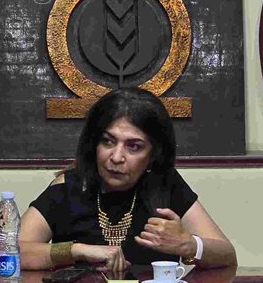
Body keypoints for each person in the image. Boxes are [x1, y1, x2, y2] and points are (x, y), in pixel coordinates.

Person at [19, 88, 237, 273]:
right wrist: (77, 250)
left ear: (154, 154)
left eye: (134, 146)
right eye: (108, 141)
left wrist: (189, 245)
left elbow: (227, 255)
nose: (116, 157)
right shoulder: (69, 186)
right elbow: (11, 254)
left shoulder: (165, 184)